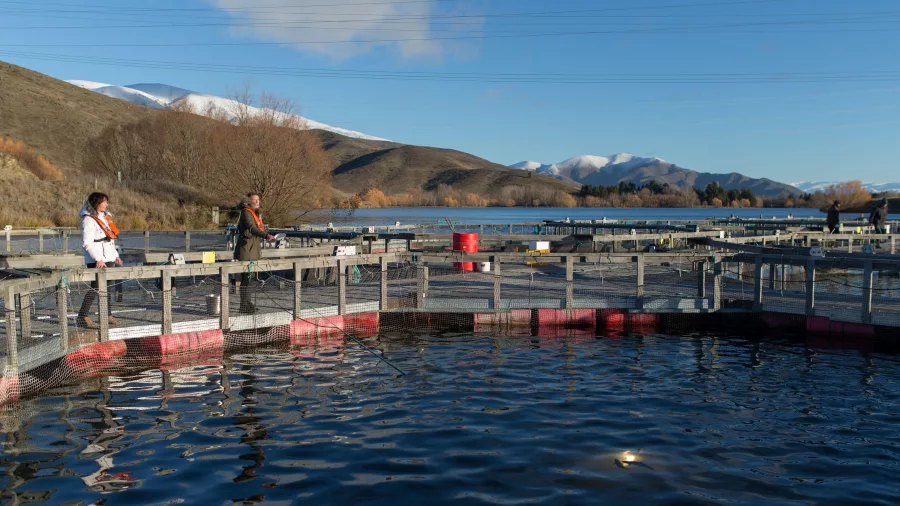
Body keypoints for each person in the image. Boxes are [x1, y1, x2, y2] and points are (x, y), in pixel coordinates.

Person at [78, 192, 123, 329]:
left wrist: (115, 255)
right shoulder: (88, 220)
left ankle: (107, 314)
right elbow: (87, 243)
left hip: (108, 256)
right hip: (97, 258)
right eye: (104, 202)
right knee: (96, 286)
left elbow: (109, 240)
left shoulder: (105, 217)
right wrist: (98, 259)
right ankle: (83, 315)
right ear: (97, 203)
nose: (106, 204)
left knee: (107, 287)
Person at [234, 193, 274, 314]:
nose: (257, 202)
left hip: (254, 248)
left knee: (250, 278)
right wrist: (266, 235)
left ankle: (247, 303)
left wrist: (266, 233)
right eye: (254, 200)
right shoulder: (246, 212)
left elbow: (258, 228)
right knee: (246, 278)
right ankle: (244, 305)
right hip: (246, 249)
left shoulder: (257, 213)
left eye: (258, 200)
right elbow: (251, 228)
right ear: (249, 201)